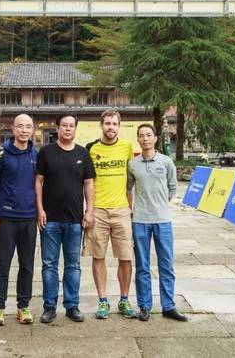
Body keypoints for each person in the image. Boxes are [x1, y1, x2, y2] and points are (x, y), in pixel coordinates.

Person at [35, 114, 96, 324]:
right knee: (49, 265)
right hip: (50, 219)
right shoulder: (46, 152)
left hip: (74, 220)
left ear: (75, 129)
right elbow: (38, 181)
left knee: (73, 265)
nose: (68, 129)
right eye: (64, 125)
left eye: (71, 126)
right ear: (58, 128)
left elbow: (89, 183)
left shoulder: (82, 153)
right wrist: (39, 209)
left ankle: (72, 305)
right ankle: (49, 307)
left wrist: (89, 211)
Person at [127, 124, 186, 322]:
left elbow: (172, 187)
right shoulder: (133, 164)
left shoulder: (166, 162)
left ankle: (168, 306)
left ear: (155, 138)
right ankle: (144, 306)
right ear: (138, 139)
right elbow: (128, 188)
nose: (145, 138)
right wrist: (131, 209)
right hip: (140, 221)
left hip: (163, 221)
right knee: (142, 266)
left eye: (148, 135)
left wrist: (160, 204)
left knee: (166, 265)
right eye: (141, 135)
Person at [83, 108, 138, 319]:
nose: (111, 127)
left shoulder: (126, 147)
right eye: (107, 123)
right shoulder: (91, 149)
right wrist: (88, 210)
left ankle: (124, 299)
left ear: (119, 126)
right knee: (98, 256)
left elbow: (130, 180)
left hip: (121, 210)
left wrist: (131, 209)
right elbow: (86, 182)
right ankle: (103, 301)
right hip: (98, 211)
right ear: (101, 125)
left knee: (126, 257)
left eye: (114, 124)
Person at [0, 114, 37, 326]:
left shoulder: (36, 154)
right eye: (20, 126)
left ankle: (23, 306)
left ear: (32, 130)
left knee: (27, 265)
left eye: (28, 127)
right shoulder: (1, 153)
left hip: (29, 218)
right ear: (13, 128)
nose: (24, 130)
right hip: (6, 217)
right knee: (2, 265)